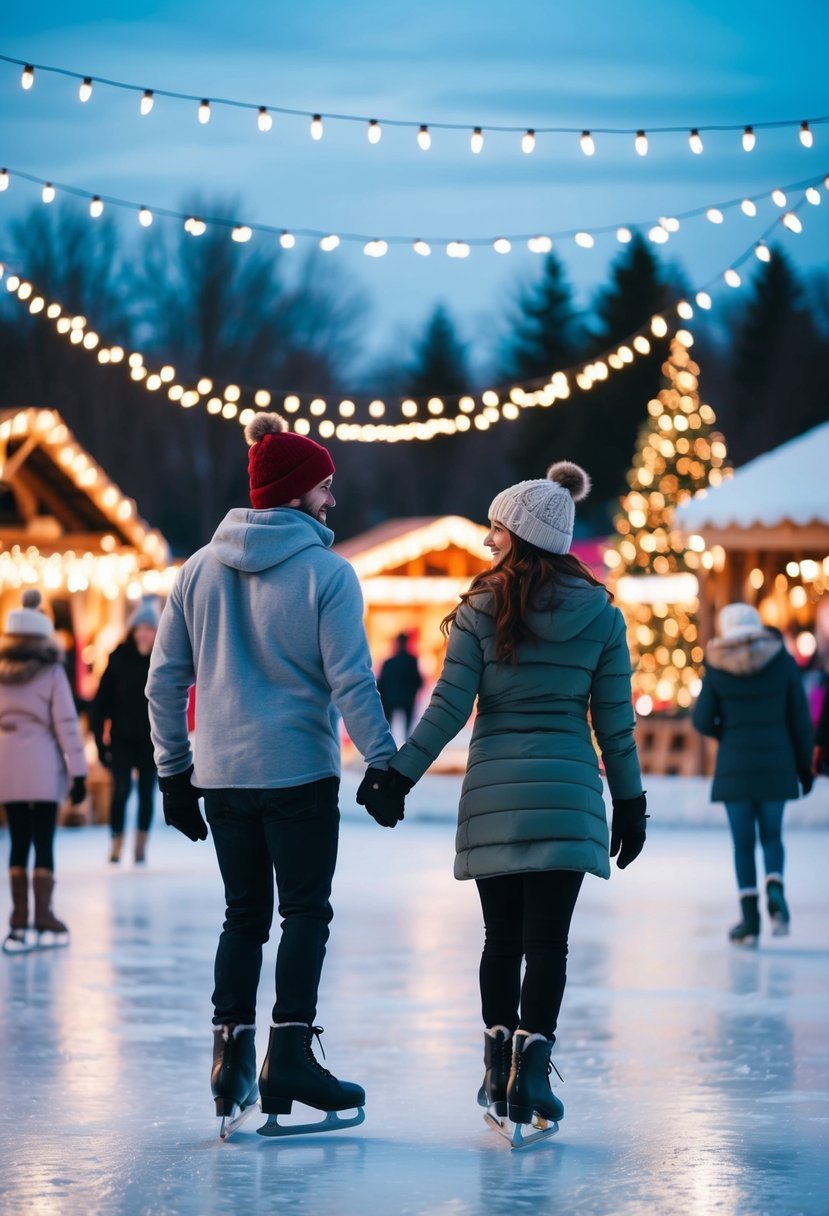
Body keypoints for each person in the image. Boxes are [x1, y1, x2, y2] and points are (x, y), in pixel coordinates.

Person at [358, 461, 646, 1144]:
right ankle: (531, 1072)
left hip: (494, 795)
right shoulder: (602, 617)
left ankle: (496, 1069)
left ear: (519, 534)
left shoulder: (480, 608)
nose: (489, 540)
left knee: (501, 939)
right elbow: (614, 725)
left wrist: (397, 775)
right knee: (548, 943)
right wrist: (630, 802)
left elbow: (449, 707)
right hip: (569, 794)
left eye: (496, 530)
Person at [146, 413, 398, 1138]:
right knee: (304, 915)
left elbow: (164, 683)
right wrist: (381, 763)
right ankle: (288, 1056)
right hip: (296, 774)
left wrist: (174, 772)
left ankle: (230, 1059)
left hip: (222, 777)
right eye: (325, 486)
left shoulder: (197, 569)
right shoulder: (326, 573)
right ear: (294, 492)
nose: (332, 501)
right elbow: (351, 680)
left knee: (243, 916)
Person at [693, 603, 814, 945]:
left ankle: (749, 921)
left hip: (735, 766)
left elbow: (702, 720)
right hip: (777, 764)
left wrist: (727, 734)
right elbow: (800, 720)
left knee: (743, 845)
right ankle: (775, 890)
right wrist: (804, 767)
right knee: (772, 837)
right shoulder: (783, 660)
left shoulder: (716, 665)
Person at [0, 589, 87, 954]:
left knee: (18, 840)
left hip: (7, 767)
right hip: (43, 767)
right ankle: (44, 915)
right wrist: (78, 772)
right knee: (43, 841)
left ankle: (18, 920)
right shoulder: (52, 672)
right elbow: (66, 724)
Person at [93, 600, 160, 864]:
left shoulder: (161, 660)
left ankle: (141, 846)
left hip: (151, 740)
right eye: (139, 628)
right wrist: (101, 743)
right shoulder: (118, 658)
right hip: (121, 739)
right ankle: (116, 843)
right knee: (120, 790)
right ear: (132, 631)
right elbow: (101, 704)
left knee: (146, 792)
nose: (144, 633)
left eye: (149, 628)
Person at [377, 632, 423, 738]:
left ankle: (389, 743)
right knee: (407, 725)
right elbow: (418, 681)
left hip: (390, 699)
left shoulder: (389, 662)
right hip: (407, 699)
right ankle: (407, 743)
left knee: (389, 725)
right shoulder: (412, 661)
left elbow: (381, 683)